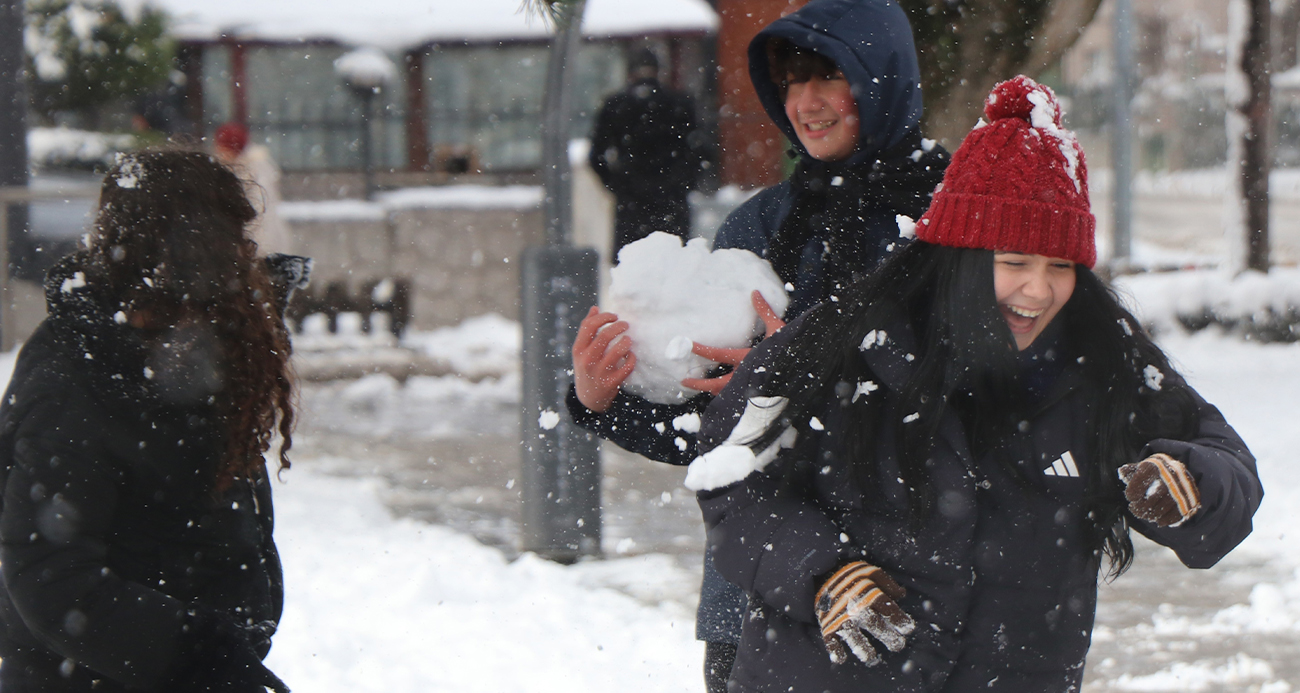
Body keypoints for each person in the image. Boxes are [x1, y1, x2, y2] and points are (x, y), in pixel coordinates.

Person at [688, 76, 1262, 692]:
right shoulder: (841, 341)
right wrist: (821, 574)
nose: (1038, 291)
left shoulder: (1103, 361)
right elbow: (732, 479)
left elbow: (1227, 463)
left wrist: (1191, 482)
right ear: (956, 256)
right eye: (1013, 262)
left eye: (1060, 267)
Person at [568, 1, 949, 689]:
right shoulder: (760, 226)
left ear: (881, 76)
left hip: (914, 595)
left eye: (829, 77)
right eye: (791, 82)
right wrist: (602, 399)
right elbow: (707, 438)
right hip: (756, 600)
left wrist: (804, 379)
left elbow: (988, 401)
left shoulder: (955, 220)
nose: (805, 103)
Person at [0, 151, 300, 692]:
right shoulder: (74, 377)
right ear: (190, 253)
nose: (246, 256)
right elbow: (52, 576)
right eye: (231, 241)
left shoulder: (201, 355)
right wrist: (201, 656)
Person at [588, 48, 705, 255]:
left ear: (629, 73)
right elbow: (701, 151)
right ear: (659, 71)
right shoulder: (681, 103)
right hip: (672, 202)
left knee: (633, 269)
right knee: (675, 266)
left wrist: (618, 185)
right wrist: (683, 183)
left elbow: (596, 156)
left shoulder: (615, 105)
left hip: (631, 204)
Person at [214, 122, 293, 256]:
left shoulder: (254, 172)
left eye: (222, 147)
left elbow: (260, 214)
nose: (218, 151)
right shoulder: (240, 169)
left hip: (262, 247)